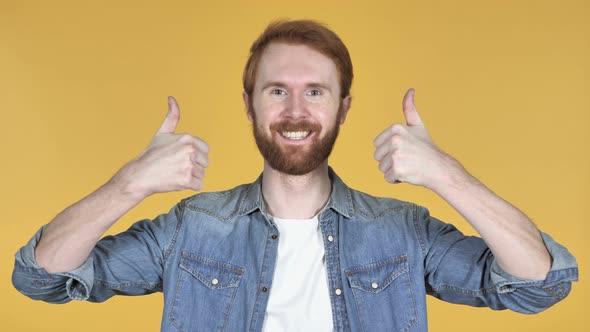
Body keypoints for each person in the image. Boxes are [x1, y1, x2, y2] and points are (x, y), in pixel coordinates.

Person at [12, 19, 578, 332]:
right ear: (250, 104)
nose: (295, 110)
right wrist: (129, 183)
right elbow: (41, 278)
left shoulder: (402, 232)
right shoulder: (191, 229)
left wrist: (447, 176)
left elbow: (540, 285)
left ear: (343, 108)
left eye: (315, 92)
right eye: (277, 90)